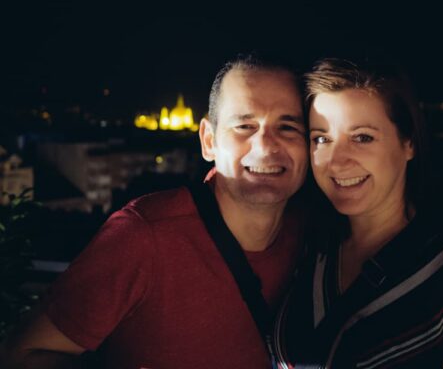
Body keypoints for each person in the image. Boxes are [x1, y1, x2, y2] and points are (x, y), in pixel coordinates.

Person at [0, 54, 309, 368]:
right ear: (209, 141)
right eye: (244, 126)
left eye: (287, 128)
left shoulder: (316, 236)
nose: (267, 146)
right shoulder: (143, 235)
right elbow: (21, 355)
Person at [271, 58, 443, 368]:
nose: (336, 161)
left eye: (362, 137)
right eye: (321, 138)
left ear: (409, 143)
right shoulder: (309, 253)